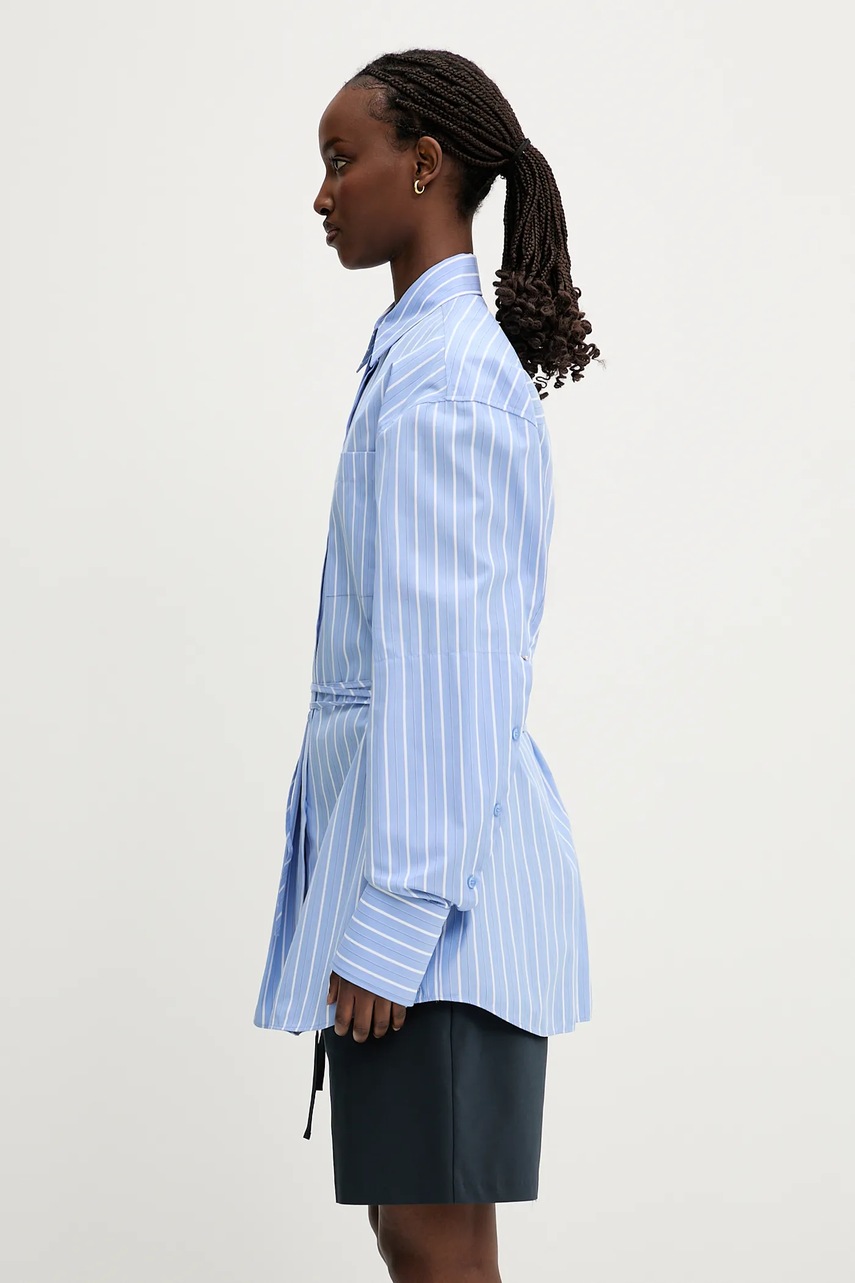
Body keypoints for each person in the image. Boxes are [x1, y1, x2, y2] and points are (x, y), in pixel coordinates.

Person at [253, 47, 600, 1283]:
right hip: (424, 883)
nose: (323, 192)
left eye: (342, 159)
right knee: (418, 1231)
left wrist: (393, 920)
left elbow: (453, 672)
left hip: (437, 903)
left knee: (431, 1237)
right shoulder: (419, 362)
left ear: (426, 164)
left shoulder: (447, 384)